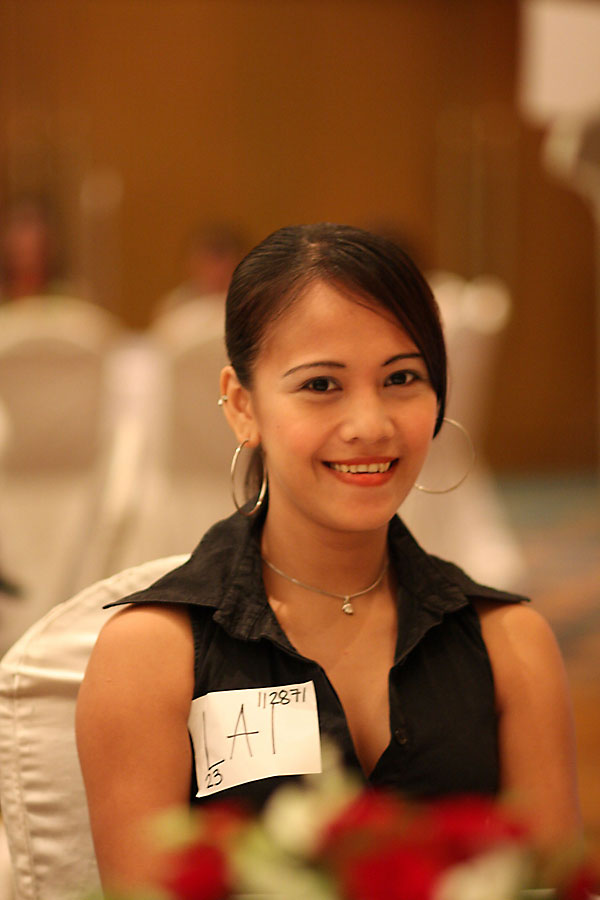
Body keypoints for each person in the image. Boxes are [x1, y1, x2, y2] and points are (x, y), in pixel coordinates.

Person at [76, 223, 581, 893]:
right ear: (242, 406)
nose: (370, 425)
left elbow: (553, 882)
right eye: (321, 385)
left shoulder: (510, 645)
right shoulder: (150, 655)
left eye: (401, 378)